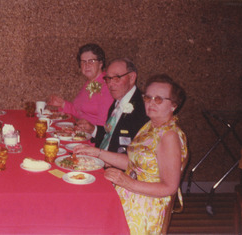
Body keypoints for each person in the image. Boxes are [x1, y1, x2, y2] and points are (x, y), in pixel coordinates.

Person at [75, 74, 188, 234]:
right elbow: (133, 163)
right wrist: (97, 152)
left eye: (159, 99)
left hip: (145, 206)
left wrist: (126, 182)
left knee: (89, 215)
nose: (150, 103)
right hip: (130, 192)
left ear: (173, 105)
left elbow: (169, 187)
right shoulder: (151, 125)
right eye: (148, 97)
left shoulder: (169, 136)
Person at [77, 58, 149, 153]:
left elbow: (138, 153)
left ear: (132, 77)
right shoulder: (118, 101)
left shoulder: (143, 108)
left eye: (116, 78)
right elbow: (111, 135)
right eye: (108, 79)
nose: (110, 84)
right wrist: (93, 129)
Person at [47, 43, 113, 126]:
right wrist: (62, 104)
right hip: (82, 130)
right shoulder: (89, 83)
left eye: (91, 61)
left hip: (95, 135)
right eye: (83, 62)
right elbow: (81, 112)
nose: (87, 65)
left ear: (100, 63)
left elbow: (104, 124)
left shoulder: (107, 85)